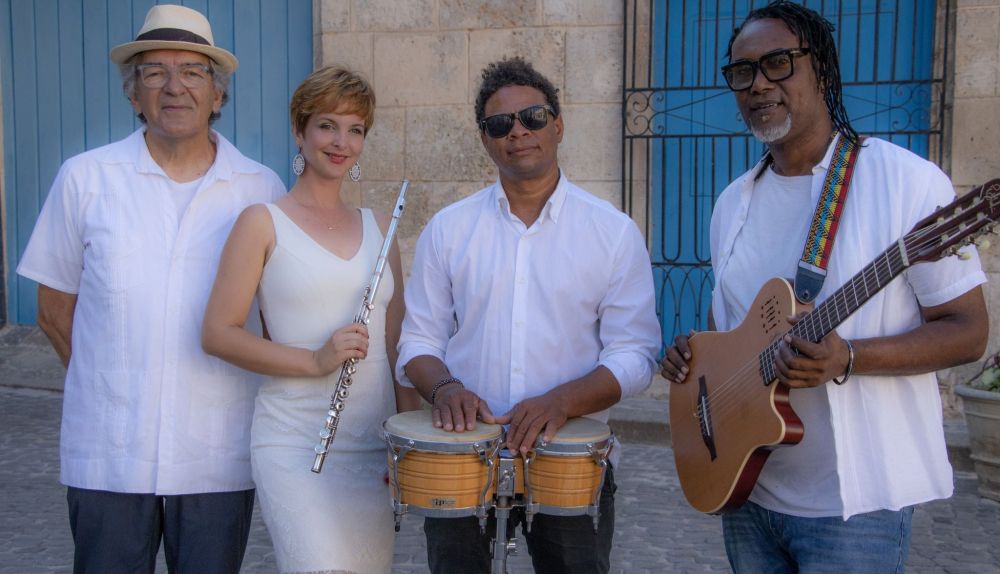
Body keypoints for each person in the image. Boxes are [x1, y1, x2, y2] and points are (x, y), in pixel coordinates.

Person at [659, 2, 989, 572]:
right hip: (749, 489)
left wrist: (849, 357)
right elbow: (731, 328)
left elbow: (968, 332)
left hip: (855, 509)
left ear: (824, 71)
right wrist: (695, 362)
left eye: (779, 63)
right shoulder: (732, 202)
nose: (758, 84)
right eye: (742, 72)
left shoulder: (905, 182)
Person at [15, 5, 286, 573]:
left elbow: (273, 318)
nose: (174, 86)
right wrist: (109, 386)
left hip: (216, 455)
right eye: (155, 72)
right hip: (109, 456)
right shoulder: (85, 179)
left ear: (217, 93)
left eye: (192, 71)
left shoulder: (259, 188)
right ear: (134, 94)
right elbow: (53, 309)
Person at [398, 56, 661, 574]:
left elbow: (635, 354)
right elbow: (418, 342)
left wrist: (561, 402)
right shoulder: (448, 229)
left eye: (533, 117)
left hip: (570, 458)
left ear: (557, 125)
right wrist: (446, 389)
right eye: (500, 124)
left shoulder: (612, 232)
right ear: (485, 139)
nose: (518, 131)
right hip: (463, 456)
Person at [200, 65, 422, 574]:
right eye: (327, 125)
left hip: (373, 445)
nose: (341, 142)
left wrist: (408, 445)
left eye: (355, 129)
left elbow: (397, 346)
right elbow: (217, 332)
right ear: (299, 131)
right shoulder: (261, 222)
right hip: (295, 442)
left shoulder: (380, 227)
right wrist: (315, 360)